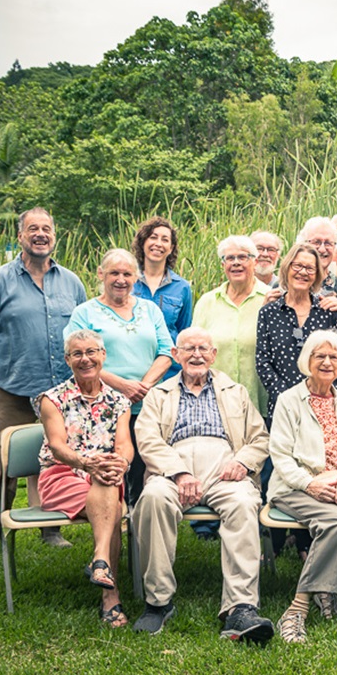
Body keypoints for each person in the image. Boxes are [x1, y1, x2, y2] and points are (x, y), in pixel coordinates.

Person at [0, 208, 87, 567]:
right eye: (33, 228)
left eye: (47, 228)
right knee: (2, 463)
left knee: (56, 457)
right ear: (21, 236)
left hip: (59, 393)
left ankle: (50, 527)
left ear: (54, 236)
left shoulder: (71, 283)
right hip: (12, 390)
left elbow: (80, 334)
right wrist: (3, 374)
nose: (41, 234)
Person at [132, 328, 273, 641]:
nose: (196, 354)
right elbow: (148, 440)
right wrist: (178, 473)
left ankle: (240, 607)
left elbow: (259, 438)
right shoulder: (159, 394)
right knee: (154, 498)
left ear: (213, 355)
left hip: (224, 464)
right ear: (177, 355)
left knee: (243, 503)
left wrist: (242, 462)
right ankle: (158, 601)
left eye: (203, 349)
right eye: (189, 349)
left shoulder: (234, 391)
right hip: (172, 466)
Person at [269, 331, 337, 643]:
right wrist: (311, 483)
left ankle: (327, 590)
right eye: (320, 356)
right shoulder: (289, 400)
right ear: (308, 362)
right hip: (295, 486)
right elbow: (280, 456)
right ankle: (298, 608)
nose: (327, 362)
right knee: (336, 521)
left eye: (334, 357)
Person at [34, 329, 132, 627]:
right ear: (67, 359)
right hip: (61, 475)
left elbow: (125, 444)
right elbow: (57, 446)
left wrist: (122, 463)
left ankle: (100, 563)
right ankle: (110, 596)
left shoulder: (119, 400)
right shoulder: (52, 399)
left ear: (103, 355)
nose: (85, 359)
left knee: (108, 482)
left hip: (104, 475)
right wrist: (87, 463)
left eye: (92, 352)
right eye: (77, 354)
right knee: (111, 504)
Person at [66, 249, 173, 505]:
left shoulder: (149, 310)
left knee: (142, 470)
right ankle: (110, 526)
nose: (121, 279)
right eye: (114, 273)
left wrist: (144, 386)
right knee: (110, 471)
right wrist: (122, 386)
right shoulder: (85, 313)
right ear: (101, 274)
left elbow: (167, 351)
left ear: (136, 278)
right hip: (102, 406)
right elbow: (79, 357)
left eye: (127, 273)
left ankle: (138, 528)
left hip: (146, 405)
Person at [257, 243, 337, 419]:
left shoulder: (327, 311)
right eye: (297, 266)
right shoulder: (269, 312)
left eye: (310, 268)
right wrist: (287, 398)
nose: (303, 272)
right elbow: (263, 362)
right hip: (283, 407)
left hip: (325, 407)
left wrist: (326, 399)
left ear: (317, 275)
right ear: (287, 268)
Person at [192, 236, 270, 415]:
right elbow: (194, 352)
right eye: (230, 258)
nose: (236, 263)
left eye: (243, 257)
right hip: (216, 404)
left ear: (255, 262)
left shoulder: (271, 298)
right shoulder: (207, 302)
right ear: (223, 265)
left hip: (260, 402)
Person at [132, 216, 193, 378]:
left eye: (165, 240)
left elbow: (183, 332)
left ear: (171, 248)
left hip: (170, 372)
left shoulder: (182, 287)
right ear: (143, 242)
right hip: (133, 369)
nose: (158, 243)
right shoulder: (127, 282)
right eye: (153, 237)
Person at [296, 217, 337, 351]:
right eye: (316, 242)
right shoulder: (286, 286)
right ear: (303, 245)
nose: (322, 249)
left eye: (328, 243)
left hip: (331, 368)